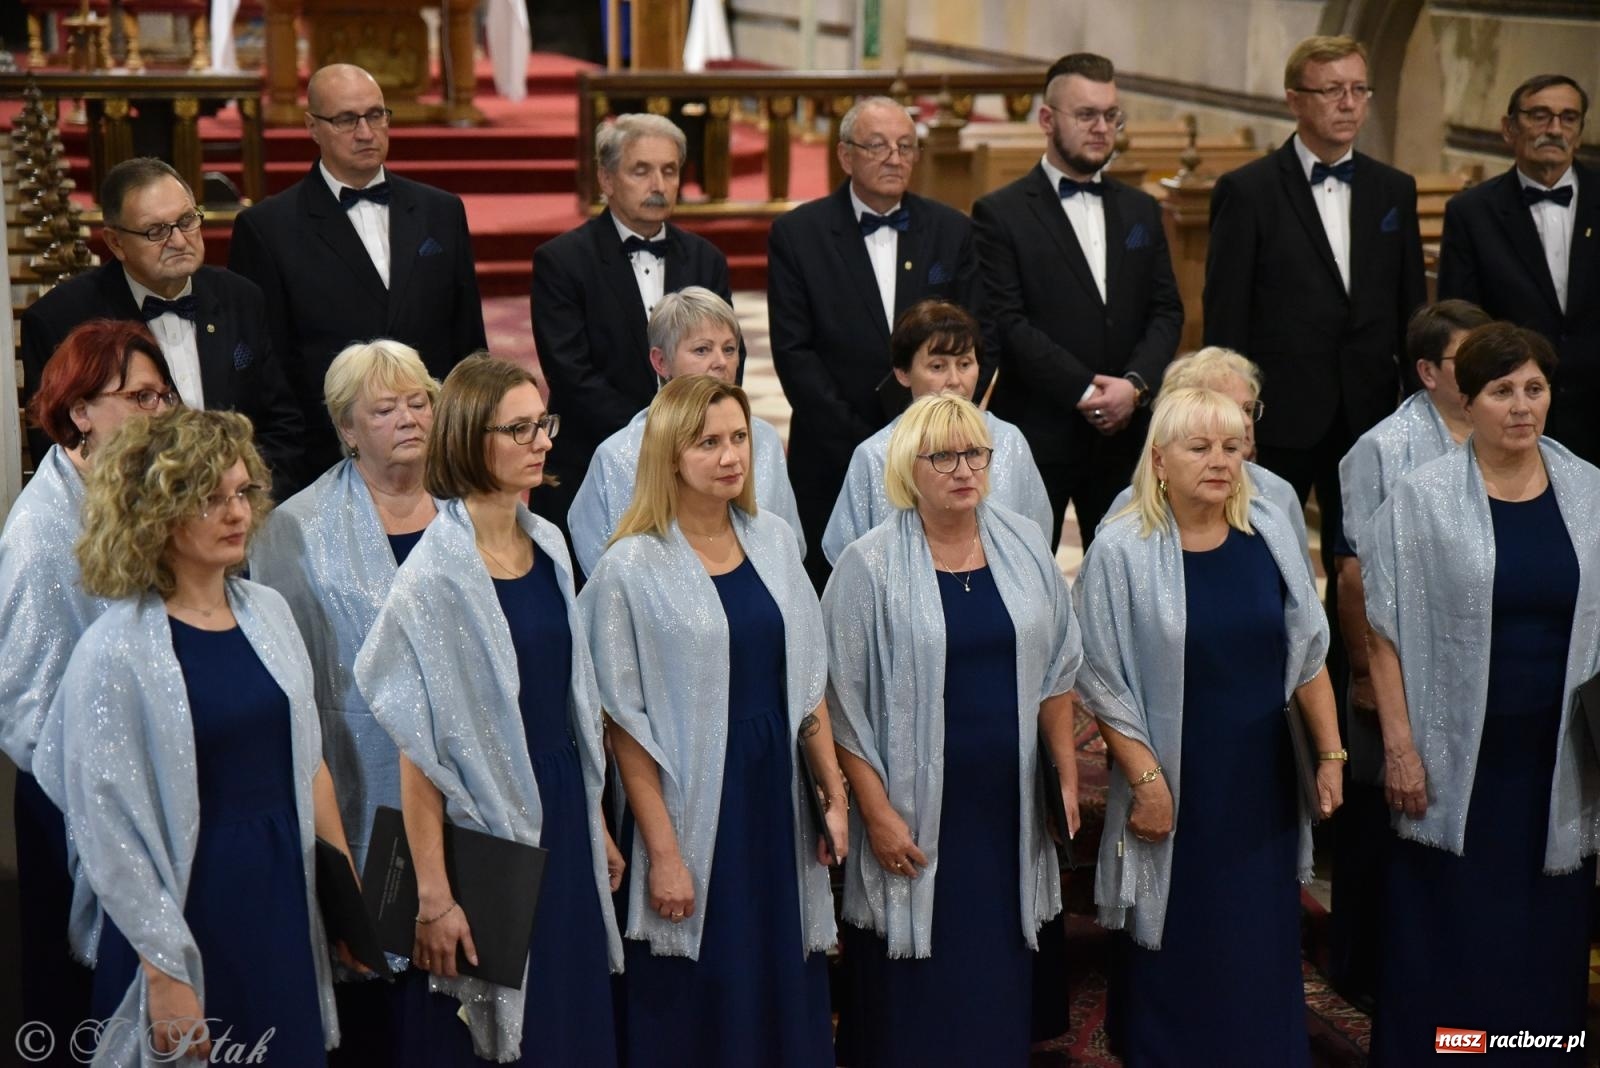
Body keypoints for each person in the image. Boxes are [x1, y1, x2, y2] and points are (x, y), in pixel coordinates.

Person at [35, 408, 355, 1065]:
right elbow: (109, 834)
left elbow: (308, 764)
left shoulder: (269, 612)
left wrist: (342, 895)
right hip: (183, 907)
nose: (237, 513)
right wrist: (165, 972)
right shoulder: (115, 649)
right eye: (210, 498)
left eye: (242, 492)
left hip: (279, 897)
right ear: (155, 512)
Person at [355, 354, 622, 1065]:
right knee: (503, 1035)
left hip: (560, 805)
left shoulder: (549, 542)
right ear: (473, 439)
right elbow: (419, 755)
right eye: (521, 428)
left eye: (544, 424)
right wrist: (435, 898)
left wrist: (595, 820)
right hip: (482, 829)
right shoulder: (435, 577)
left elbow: (571, 703)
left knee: (568, 1019)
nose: (542, 441)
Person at [578, 374, 847, 1068]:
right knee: (704, 983)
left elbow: (808, 676)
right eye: (708, 444)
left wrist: (833, 792)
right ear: (669, 455)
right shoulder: (628, 568)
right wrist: (663, 854)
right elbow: (624, 729)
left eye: (738, 440)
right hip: (695, 803)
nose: (731, 457)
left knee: (782, 969)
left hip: (776, 798)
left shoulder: (775, 540)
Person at [1075, 387, 1343, 1066]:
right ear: (1159, 459)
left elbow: (1308, 652)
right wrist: (1147, 782)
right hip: (1170, 773)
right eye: (1200, 447)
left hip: (1261, 779)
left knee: (1258, 936)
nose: (1220, 461)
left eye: (1232, 446)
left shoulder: (1270, 532)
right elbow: (1100, 679)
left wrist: (1332, 754)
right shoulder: (1122, 548)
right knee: (1180, 935)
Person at [822, 393, 1083, 1067]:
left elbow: (1058, 667)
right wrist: (875, 814)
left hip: (1006, 809)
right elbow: (841, 705)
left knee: (994, 976)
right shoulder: (867, 565)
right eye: (944, 456)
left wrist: (1064, 778)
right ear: (909, 468)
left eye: (975, 453)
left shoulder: (1023, 543)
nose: (965, 469)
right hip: (916, 813)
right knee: (914, 990)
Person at [1363, 323, 1600, 1063]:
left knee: (1545, 938)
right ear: (1467, 399)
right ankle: (1452, 1054)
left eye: (1535, 389)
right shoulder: (1421, 496)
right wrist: (1399, 747)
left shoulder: (1590, 489)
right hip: (1457, 760)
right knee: (1454, 941)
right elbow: (1383, 632)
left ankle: (1534, 1052)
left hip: (1559, 758)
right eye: (1503, 391)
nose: (1522, 407)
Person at [249, 339, 441, 1064]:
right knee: (380, 997)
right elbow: (289, 687)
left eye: (418, 401)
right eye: (384, 408)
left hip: (465, 783)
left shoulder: (469, 506)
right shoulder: (292, 529)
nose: (407, 419)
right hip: (360, 788)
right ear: (346, 428)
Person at [0, 321, 178, 1065]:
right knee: (79, 1016)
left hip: (152, 790)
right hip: (75, 801)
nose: (160, 412)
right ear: (79, 412)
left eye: (163, 394)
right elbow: (27, 708)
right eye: (139, 397)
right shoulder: (41, 532)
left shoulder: (139, 488)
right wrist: (116, 809)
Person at [1203, 34, 1426, 570]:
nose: (1349, 104)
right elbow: (1226, 312)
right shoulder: (1248, 190)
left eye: (1358, 89)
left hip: (1369, 406)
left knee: (1363, 561)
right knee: (1267, 551)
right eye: (1332, 91)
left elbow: (1411, 306)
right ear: (1294, 99)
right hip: (1280, 408)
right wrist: (1234, 415)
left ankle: (1351, 660)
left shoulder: (1393, 189)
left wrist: (1419, 405)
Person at [1328, 298, 1489, 1004]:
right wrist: (1364, 672)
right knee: (1380, 822)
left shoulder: (1497, 436)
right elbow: (1355, 569)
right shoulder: (1383, 447)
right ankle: (1362, 971)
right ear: (1427, 371)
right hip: (1396, 659)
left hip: (1470, 657)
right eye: (1469, 361)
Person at [230, 63, 487, 479]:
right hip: (325, 459)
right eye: (347, 119)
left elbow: (468, 338)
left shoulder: (441, 211)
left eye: (376, 115)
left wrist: (464, 437)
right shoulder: (267, 229)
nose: (366, 132)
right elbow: (269, 365)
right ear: (312, 126)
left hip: (435, 451)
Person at [768, 95, 984, 589]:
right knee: (835, 586)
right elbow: (794, 352)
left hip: (941, 449)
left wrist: (939, 432)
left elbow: (977, 338)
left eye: (906, 146)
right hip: (832, 451)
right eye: (878, 146)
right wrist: (865, 441)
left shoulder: (952, 230)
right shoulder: (798, 234)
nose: (894, 157)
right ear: (845, 155)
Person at [973, 52, 1183, 554]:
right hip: (1039, 429)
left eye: (1111, 115)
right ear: (1047, 120)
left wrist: (1133, 387)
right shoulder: (1000, 213)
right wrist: (1086, 391)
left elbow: (1166, 310)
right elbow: (1008, 322)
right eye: (1086, 114)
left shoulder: (1141, 209)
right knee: (1025, 575)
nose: (1102, 128)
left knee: (1129, 580)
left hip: (1128, 432)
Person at [19, 157, 301, 493]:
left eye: (186, 221)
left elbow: (282, 427)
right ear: (115, 242)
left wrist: (244, 499)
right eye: (156, 231)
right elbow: (59, 460)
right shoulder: (60, 321)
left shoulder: (241, 297)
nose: (180, 241)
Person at [532, 114, 736, 549]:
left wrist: (690, 436)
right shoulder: (563, 261)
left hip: (695, 461)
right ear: (606, 178)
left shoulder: (707, 260)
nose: (658, 184)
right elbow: (571, 373)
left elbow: (726, 356)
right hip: (592, 460)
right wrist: (655, 434)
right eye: (640, 170)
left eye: (669, 170)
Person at [567, 286, 799, 578]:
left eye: (729, 349)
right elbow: (606, 570)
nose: (721, 362)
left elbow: (787, 547)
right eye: (702, 349)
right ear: (661, 362)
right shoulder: (619, 454)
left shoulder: (762, 440)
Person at [1437, 74, 1600, 465]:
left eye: (1568, 118)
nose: (1554, 129)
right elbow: (1460, 321)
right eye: (1540, 116)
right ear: (1509, 128)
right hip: (1514, 415)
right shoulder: (1471, 213)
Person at [821, 300, 1051, 564]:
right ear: (903, 373)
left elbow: (1036, 535)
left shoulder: (1008, 440)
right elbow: (848, 555)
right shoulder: (875, 454)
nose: (954, 380)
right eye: (938, 367)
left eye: (965, 364)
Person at [1101, 346, 1313, 574]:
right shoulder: (1131, 507)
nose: (1246, 422)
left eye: (1248, 409)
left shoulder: (1279, 493)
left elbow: (1301, 593)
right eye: (1228, 409)